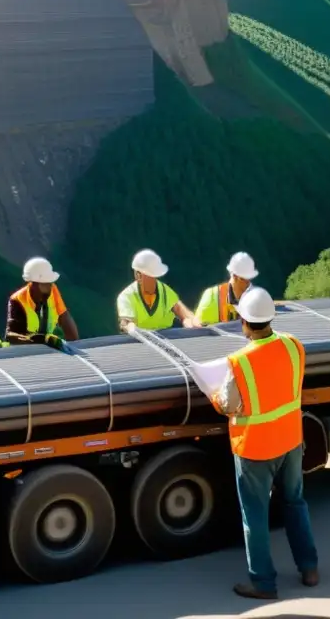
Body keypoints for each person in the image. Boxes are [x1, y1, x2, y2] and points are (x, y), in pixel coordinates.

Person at [209, 286, 319, 600]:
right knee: (295, 502)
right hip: (290, 440)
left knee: (255, 515)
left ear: (244, 322)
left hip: (256, 448)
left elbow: (229, 405)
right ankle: (309, 568)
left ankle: (263, 582)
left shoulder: (239, 362)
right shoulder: (294, 346)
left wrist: (214, 396)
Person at [117, 249, 200, 333]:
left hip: (167, 337)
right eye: (150, 275)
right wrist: (131, 328)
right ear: (138, 276)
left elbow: (179, 309)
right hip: (139, 342)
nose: (154, 280)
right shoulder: (126, 296)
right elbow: (126, 323)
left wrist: (190, 320)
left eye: (155, 276)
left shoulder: (164, 290)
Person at [6, 257, 79, 348]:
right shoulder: (17, 300)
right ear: (33, 284)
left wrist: (75, 346)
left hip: (48, 349)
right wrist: (41, 340)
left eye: (50, 283)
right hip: (24, 352)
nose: (49, 287)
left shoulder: (52, 290)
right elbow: (10, 336)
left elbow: (64, 316)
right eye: (45, 284)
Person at [195, 251, 258, 325]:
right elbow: (198, 331)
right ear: (234, 276)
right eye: (244, 279)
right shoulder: (211, 297)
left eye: (249, 279)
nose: (247, 283)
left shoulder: (256, 299)